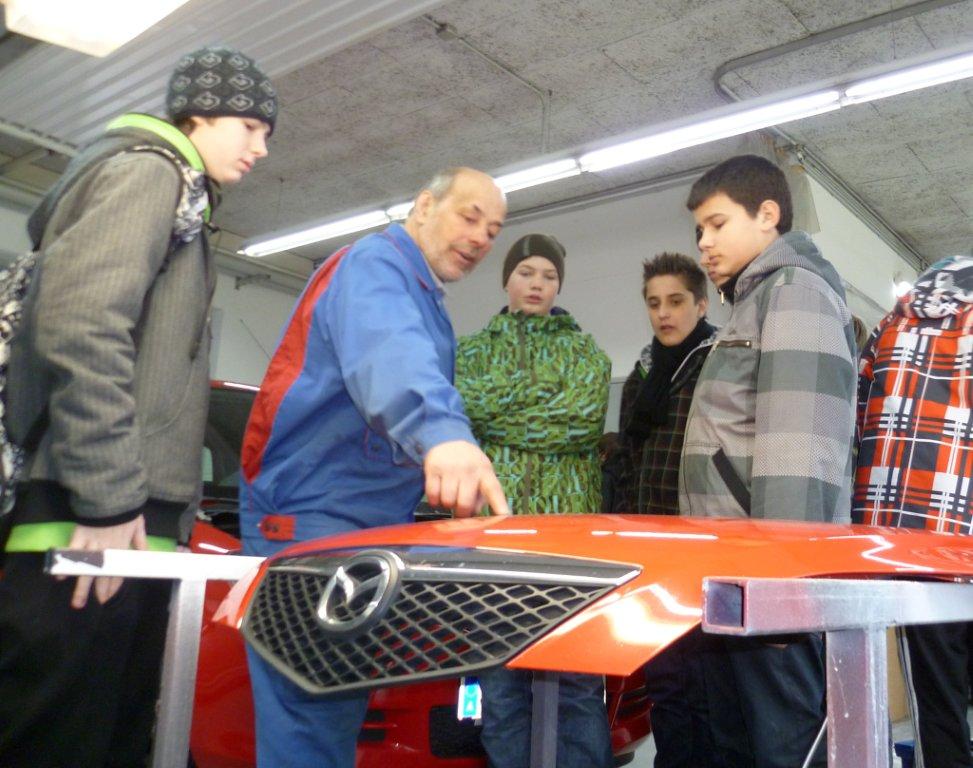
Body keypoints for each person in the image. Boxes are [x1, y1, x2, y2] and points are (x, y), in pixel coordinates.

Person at [0, 46, 276, 768]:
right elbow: (81, 322)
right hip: (92, 514)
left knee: (111, 732)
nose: (261, 147)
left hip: (128, 514)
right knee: (61, 733)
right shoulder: (148, 172)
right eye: (250, 126)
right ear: (199, 114)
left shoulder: (183, 199)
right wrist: (107, 496)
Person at [239, 167, 510, 768]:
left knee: (333, 717)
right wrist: (442, 434)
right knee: (310, 721)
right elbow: (391, 355)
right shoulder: (375, 267)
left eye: (493, 230)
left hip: (364, 525)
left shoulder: (423, 296)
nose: (480, 238)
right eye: (469, 217)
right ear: (424, 205)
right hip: (311, 520)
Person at [680, 154, 857, 768]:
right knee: (739, 744)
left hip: (769, 585)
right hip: (736, 577)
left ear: (768, 215)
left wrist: (783, 594)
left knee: (784, 746)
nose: (704, 243)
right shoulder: (753, 303)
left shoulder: (795, 293)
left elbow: (800, 455)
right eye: (699, 230)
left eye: (717, 224)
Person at [454, 233, 613, 768]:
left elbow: (582, 421)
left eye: (548, 275)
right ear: (507, 279)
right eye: (526, 273)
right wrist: (544, 405)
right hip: (493, 541)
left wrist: (502, 415)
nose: (537, 284)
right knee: (501, 685)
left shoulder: (587, 352)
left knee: (577, 683)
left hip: (570, 544)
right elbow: (470, 405)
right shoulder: (472, 351)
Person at [854, 255, 973, 768]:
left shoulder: (888, 327)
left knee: (935, 699)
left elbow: (856, 420)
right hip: (963, 526)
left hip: (904, 543)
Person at [618, 252, 716, 515]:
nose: (663, 313)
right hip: (643, 524)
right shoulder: (638, 380)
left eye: (675, 302)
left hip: (703, 524)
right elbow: (625, 461)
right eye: (654, 304)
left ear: (701, 306)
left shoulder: (721, 368)